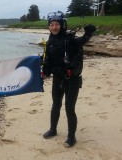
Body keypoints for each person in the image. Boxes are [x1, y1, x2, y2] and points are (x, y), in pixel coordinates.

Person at [41, 11, 96, 148]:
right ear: (49, 26)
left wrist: (88, 34)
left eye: (57, 24)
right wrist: (45, 70)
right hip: (58, 78)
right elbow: (47, 59)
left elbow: (81, 42)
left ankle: (71, 137)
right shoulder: (50, 41)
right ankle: (53, 130)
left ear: (62, 25)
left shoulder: (69, 39)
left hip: (71, 79)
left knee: (69, 108)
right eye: (52, 25)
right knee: (55, 105)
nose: (54, 27)